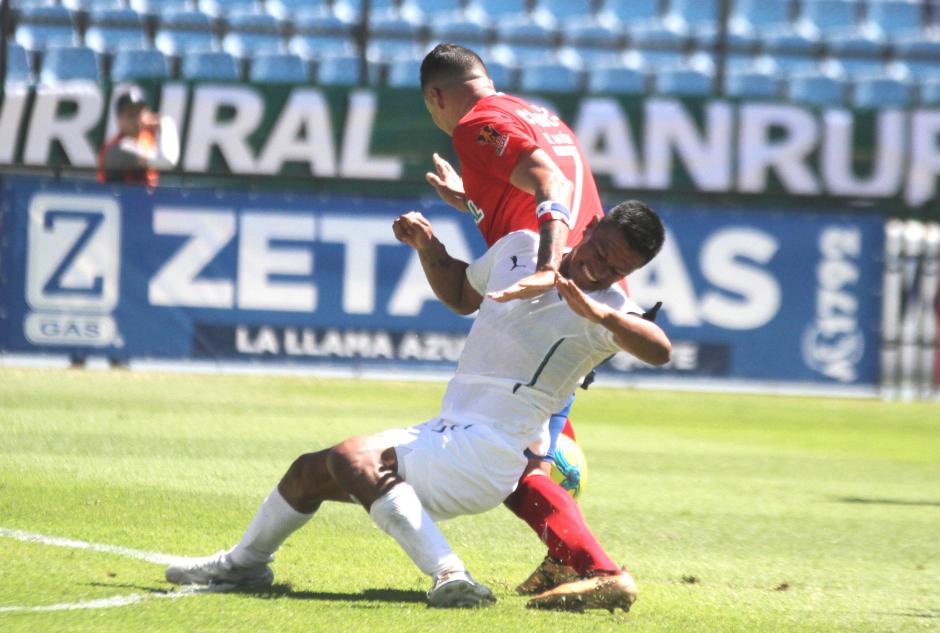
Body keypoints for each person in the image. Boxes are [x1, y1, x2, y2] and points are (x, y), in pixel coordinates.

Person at [165, 202, 670, 611]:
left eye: (617, 268)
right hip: (450, 430)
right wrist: (429, 247)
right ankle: (245, 564)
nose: (598, 267)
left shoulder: (608, 313)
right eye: (601, 250)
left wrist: (599, 308)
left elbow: (659, 349)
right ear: (592, 225)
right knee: (306, 474)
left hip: (489, 453)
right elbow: (460, 293)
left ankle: (450, 575)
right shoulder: (520, 247)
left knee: (354, 458)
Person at [419, 42, 630, 594]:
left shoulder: (474, 124)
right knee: (533, 434)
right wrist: (467, 199)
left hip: (553, 294)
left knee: (499, 452)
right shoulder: (538, 115)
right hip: (591, 295)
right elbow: (531, 194)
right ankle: (568, 556)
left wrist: (546, 266)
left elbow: (551, 188)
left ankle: (594, 567)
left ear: (435, 96)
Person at [97, 87, 179, 187]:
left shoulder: (147, 139)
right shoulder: (119, 148)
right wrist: (166, 122)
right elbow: (167, 161)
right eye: (130, 114)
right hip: (122, 200)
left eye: (139, 113)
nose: (136, 119)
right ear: (119, 118)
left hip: (143, 200)